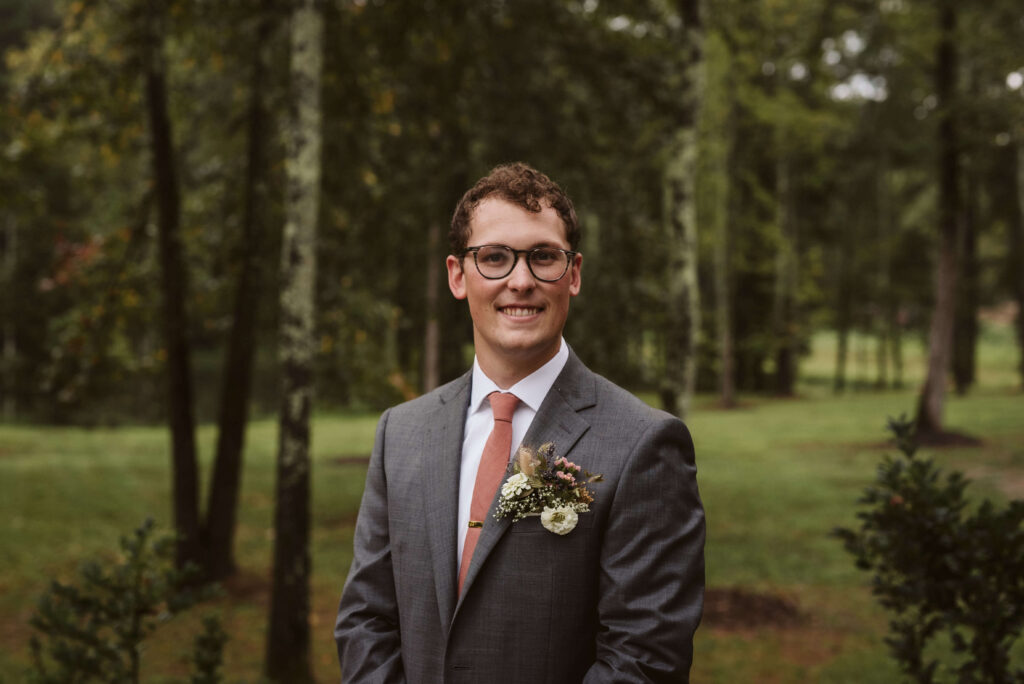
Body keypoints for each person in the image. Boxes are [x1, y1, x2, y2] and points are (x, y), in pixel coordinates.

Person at [335, 162, 705, 683]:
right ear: (457, 276)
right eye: (494, 258)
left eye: (543, 257)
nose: (521, 280)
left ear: (572, 274)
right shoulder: (401, 432)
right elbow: (365, 621)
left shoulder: (644, 443)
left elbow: (645, 659)